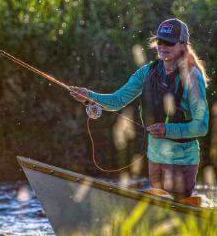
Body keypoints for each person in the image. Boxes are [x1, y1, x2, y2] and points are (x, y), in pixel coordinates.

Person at [69, 18, 209, 199]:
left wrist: (166, 129)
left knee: (170, 215)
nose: (163, 46)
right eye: (160, 41)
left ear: (183, 45)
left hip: (182, 162)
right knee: (158, 216)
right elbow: (117, 100)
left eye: (169, 43)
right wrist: (88, 96)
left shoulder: (192, 76)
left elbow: (202, 126)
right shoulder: (147, 72)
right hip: (155, 159)